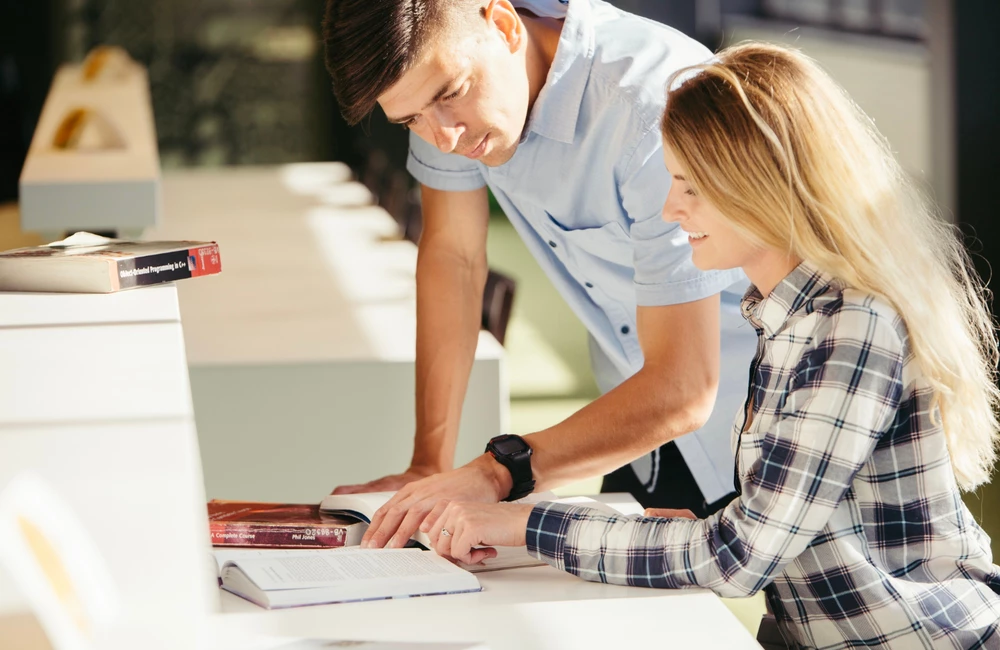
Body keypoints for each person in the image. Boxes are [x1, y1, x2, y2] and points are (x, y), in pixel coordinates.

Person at [421, 42, 1000, 648]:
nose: (672, 209)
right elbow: (770, 530)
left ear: (764, 186)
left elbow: (739, 559)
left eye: (691, 187)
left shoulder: (850, 328)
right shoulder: (782, 317)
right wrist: (700, 530)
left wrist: (527, 523)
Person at [322, 0, 760, 548]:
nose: (445, 138)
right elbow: (453, 258)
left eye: (447, 96)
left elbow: (686, 387)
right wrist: (426, 464)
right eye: (410, 120)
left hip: (776, 416)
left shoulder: (652, 106)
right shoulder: (444, 89)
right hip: (638, 419)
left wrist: (497, 471)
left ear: (503, 25)